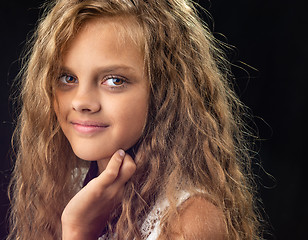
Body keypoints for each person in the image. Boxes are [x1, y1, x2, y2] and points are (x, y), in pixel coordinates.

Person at [8, 0, 262, 239]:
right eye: (68, 78)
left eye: (114, 80)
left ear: (164, 92)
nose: (81, 102)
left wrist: (77, 231)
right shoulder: (68, 186)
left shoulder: (189, 219)